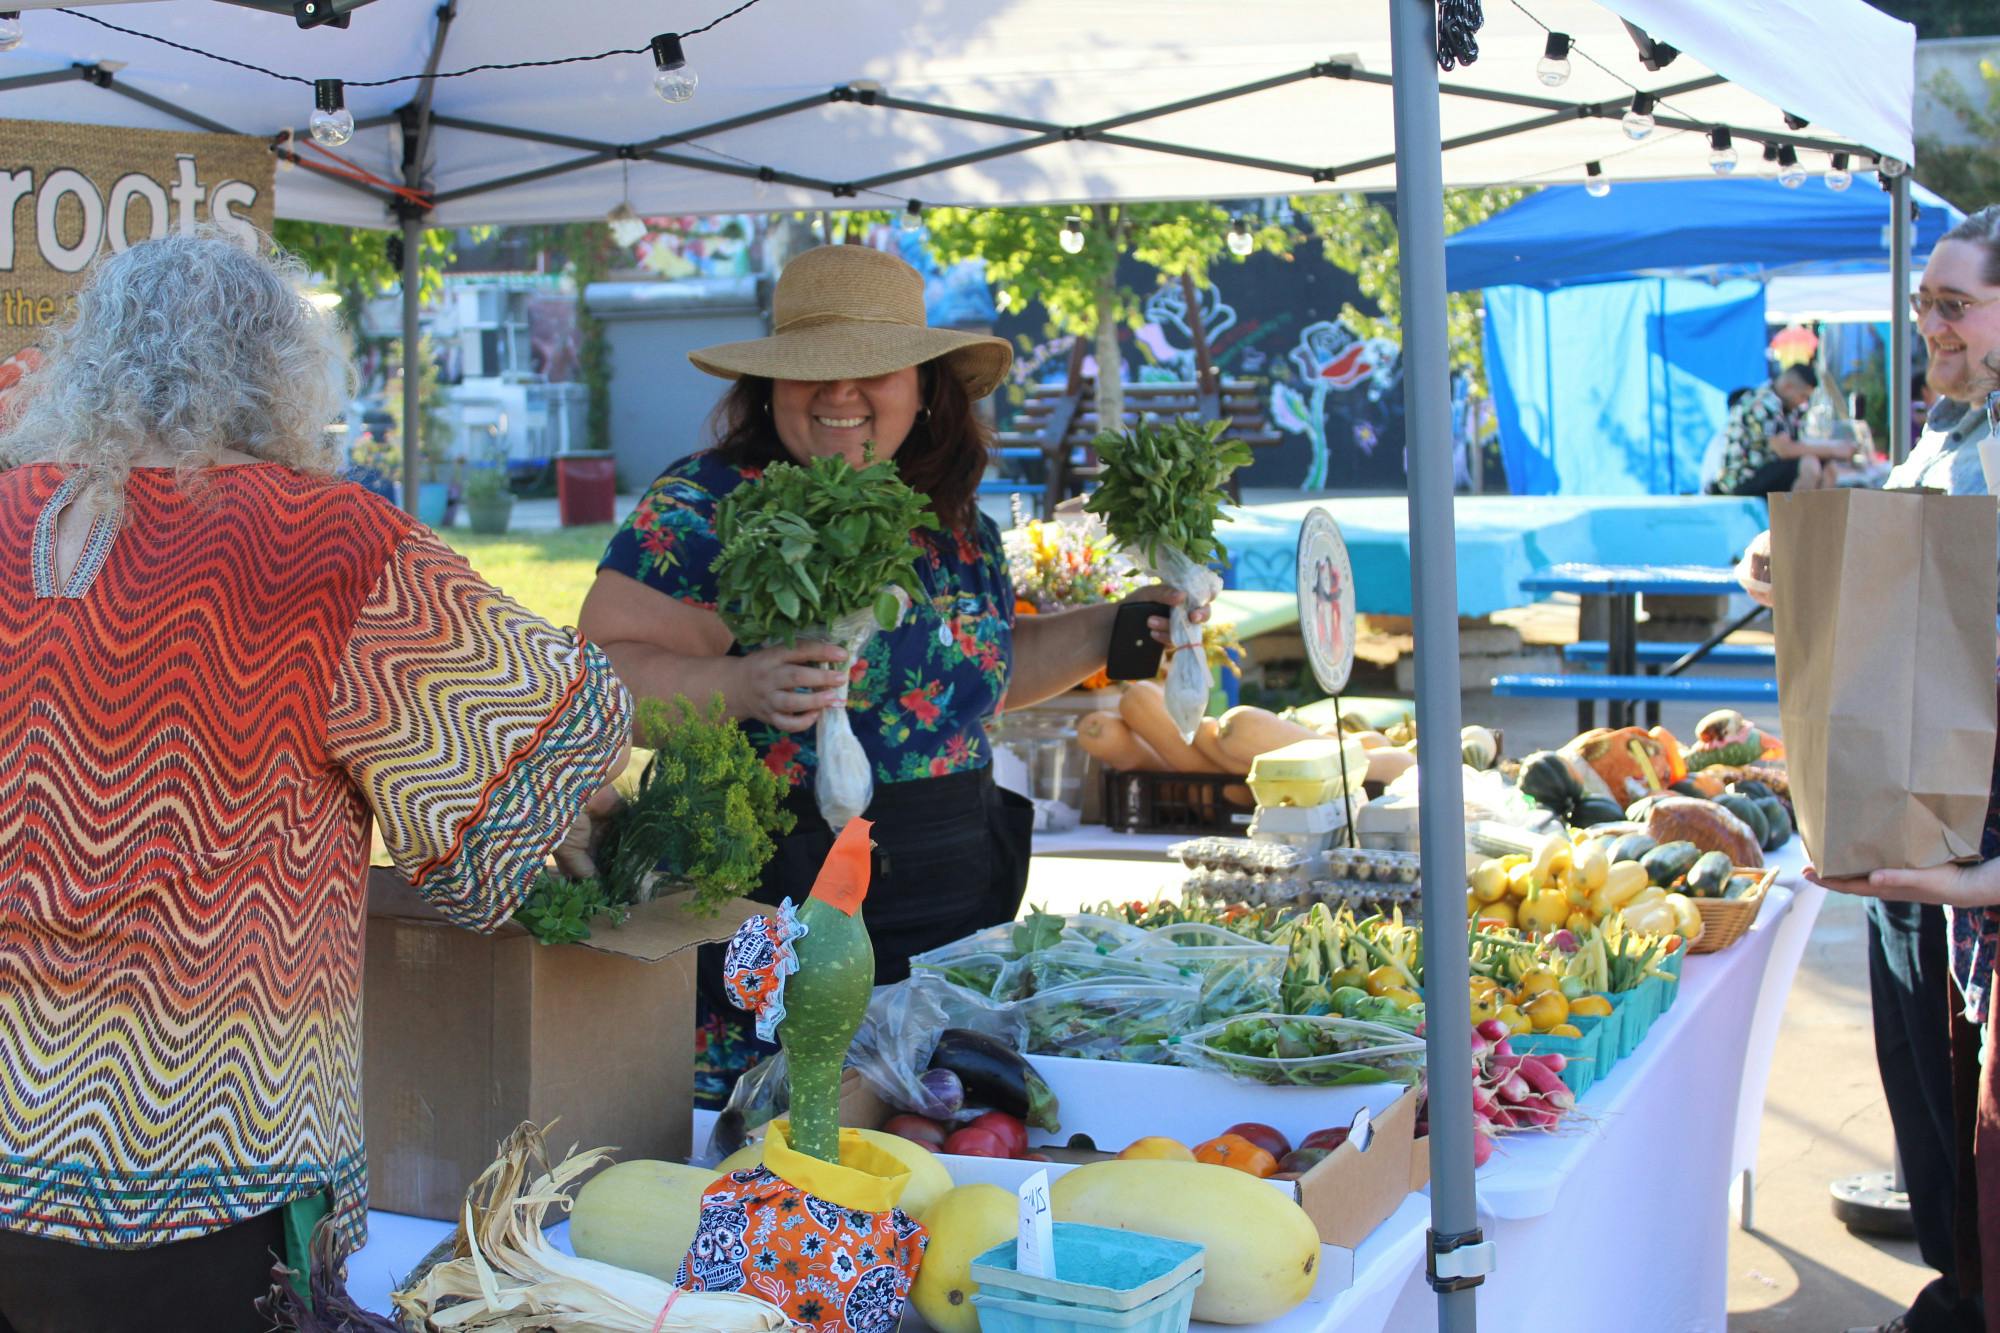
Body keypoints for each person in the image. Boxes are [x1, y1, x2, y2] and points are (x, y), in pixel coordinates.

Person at [0, 231, 632, 1333]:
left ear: (90, 358)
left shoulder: (10, 519)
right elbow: (560, 730)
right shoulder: (322, 543)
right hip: (202, 1163)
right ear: (283, 372)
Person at [578, 243, 1202, 1105]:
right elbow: (601, 678)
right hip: (775, 915)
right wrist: (744, 686)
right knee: (781, 1154)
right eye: (810, 373)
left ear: (923, 384)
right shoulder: (704, 504)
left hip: (948, 915)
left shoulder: (953, 519)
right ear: (771, 385)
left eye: (870, 369)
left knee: (935, 1152)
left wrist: (1121, 627)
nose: (839, 394)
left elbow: (974, 681)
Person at [1753, 204, 2000, 1333]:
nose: (1928, 325)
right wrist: (1786, 565)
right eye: (1922, 303)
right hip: (1908, 801)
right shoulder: (1944, 431)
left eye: (1952, 303)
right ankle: (1957, 1279)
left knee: (1973, 1091)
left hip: (1974, 820)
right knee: (1923, 1070)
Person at [1709, 363, 1855, 498]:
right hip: (1742, 478)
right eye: (1803, 396)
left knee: (1828, 467)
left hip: (1766, 471)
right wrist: (1834, 449)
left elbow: (1797, 445)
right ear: (1787, 386)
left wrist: (1829, 453)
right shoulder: (1762, 403)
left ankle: (1820, 521)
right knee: (1808, 464)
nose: (1803, 402)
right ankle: (1798, 521)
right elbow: (1784, 449)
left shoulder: (1789, 408)